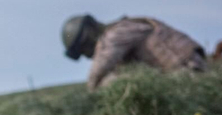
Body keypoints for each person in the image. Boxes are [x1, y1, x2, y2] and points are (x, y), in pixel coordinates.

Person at [61, 14, 206, 90]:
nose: (88, 57)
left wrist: (91, 91)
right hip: (183, 72)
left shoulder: (117, 33)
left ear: (87, 37)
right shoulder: (122, 29)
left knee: (108, 82)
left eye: (83, 51)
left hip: (187, 72)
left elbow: (103, 63)